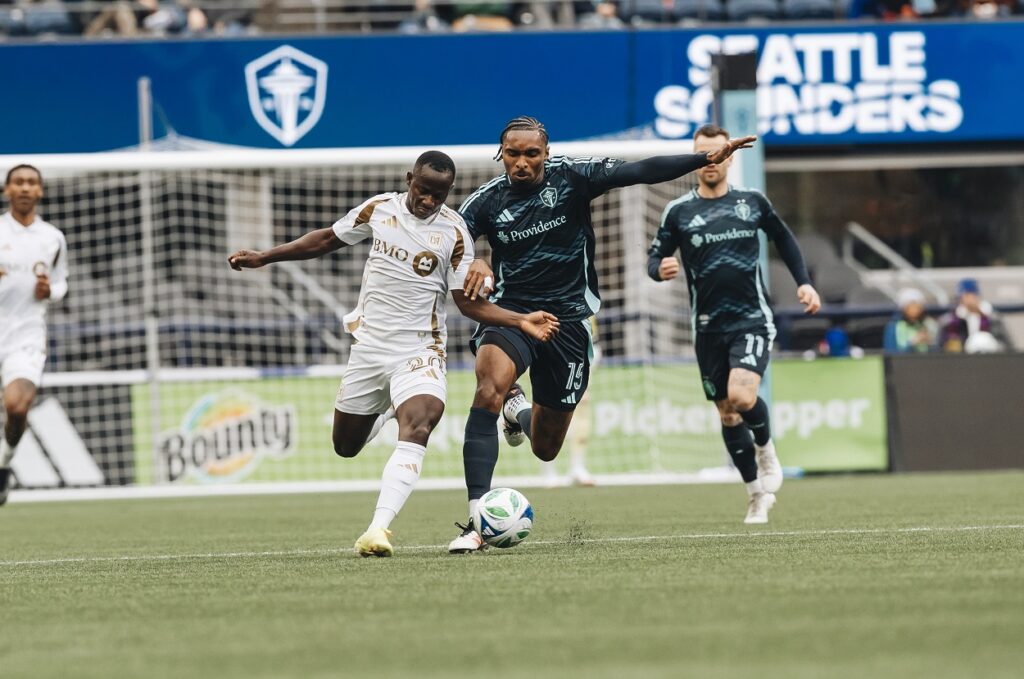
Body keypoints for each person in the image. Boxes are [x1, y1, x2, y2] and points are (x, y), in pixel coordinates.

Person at [227, 151, 559, 557]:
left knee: (420, 423)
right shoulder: (378, 209)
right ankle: (386, 410)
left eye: (439, 195)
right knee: (345, 446)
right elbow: (328, 238)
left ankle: (377, 529)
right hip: (369, 349)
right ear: (409, 179)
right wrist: (266, 257)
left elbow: (468, 305)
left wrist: (518, 320)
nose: (428, 201)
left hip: (420, 349)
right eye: (423, 191)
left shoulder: (455, 234)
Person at [448, 116, 755, 553]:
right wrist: (476, 258)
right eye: (512, 154)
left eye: (531, 154)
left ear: (546, 153)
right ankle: (476, 519)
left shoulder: (574, 176)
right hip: (516, 313)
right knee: (487, 388)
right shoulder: (485, 203)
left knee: (547, 448)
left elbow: (639, 171)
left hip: (570, 321)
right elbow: (453, 239)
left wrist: (704, 158)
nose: (521, 163)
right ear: (502, 154)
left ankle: (517, 412)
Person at [647, 124, 821, 525]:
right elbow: (653, 258)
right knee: (727, 413)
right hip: (707, 327)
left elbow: (785, 239)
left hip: (751, 319)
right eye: (703, 154)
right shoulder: (679, 212)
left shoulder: (752, 202)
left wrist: (805, 283)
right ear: (694, 159)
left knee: (742, 397)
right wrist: (660, 268)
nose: (711, 161)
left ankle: (766, 448)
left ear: (730, 156)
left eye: (719, 152)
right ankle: (756, 494)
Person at [0, 165, 69, 505]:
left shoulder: (52, 238)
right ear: (6, 189)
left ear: (40, 191)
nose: (25, 188)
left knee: (16, 407)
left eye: (31, 183)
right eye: (18, 182)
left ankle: (4, 462)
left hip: (25, 334)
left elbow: (61, 283)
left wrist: (49, 291)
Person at [541, 314, 598, 487]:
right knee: (546, 406)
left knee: (582, 402)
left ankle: (578, 467)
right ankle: (548, 470)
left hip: (582, 344)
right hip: (547, 344)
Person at [939, 278, 1012, 354]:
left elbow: (1007, 344)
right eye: (965, 296)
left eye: (970, 295)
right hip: (962, 361)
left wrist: (993, 346)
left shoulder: (993, 318)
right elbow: (940, 346)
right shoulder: (950, 320)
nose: (968, 299)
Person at [883, 288, 938, 353]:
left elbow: (937, 352)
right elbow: (890, 353)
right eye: (911, 305)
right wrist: (913, 343)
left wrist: (930, 343)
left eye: (917, 306)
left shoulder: (929, 325)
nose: (915, 309)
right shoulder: (893, 327)